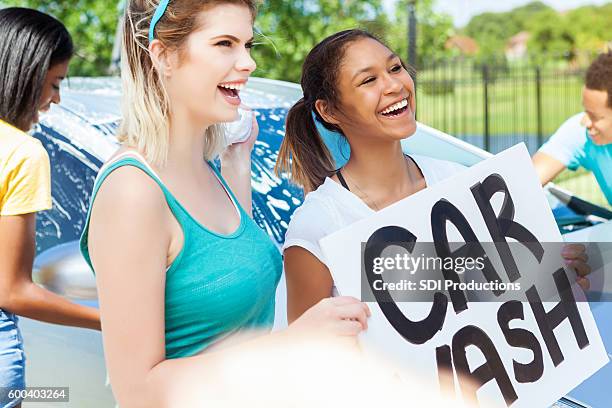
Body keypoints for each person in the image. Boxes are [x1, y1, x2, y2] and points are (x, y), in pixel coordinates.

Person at [80, 1, 370, 407]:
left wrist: (238, 161)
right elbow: (138, 392)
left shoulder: (207, 169)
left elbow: (230, 272)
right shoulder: (132, 190)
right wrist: (292, 344)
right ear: (163, 55)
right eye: (224, 44)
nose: (248, 62)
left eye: (248, 44)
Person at [276, 29, 591, 323]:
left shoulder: (458, 182)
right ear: (329, 111)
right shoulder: (318, 226)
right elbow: (307, 357)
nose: (395, 85)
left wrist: (554, 278)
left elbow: (492, 293)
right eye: (369, 80)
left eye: (395, 68)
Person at [0, 7, 101, 408]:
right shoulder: (21, 153)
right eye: (55, 83)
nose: (55, 99)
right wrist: (112, 320)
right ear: (26, 72)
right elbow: (12, 290)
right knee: (56, 399)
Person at [533, 51, 612, 205]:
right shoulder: (582, 133)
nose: (586, 122)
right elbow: (525, 183)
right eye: (586, 111)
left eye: (595, 117)